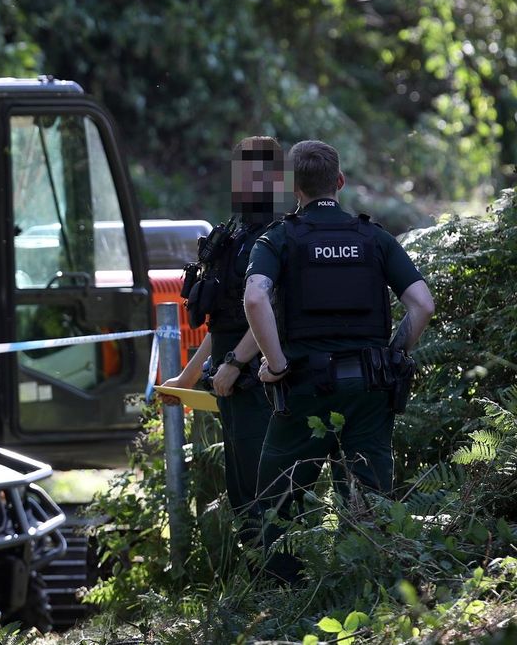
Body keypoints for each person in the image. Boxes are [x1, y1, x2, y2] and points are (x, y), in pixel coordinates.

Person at [247, 140, 434, 581]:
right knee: (372, 501)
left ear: (294, 187)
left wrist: (275, 366)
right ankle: (372, 593)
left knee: (276, 505)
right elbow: (422, 304)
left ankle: (277, 602)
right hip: (369, 389)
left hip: (304, 390)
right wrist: (392, 356)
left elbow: (255, 296)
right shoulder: (375, 238)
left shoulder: (278, 238)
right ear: (340, 181)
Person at [161, 136, 284, 521]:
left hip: (261, 386)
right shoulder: (236, 234)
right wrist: (187, 377)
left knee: (268, 498)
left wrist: (232, 362)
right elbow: (226, 320)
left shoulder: (278, 236)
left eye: (255, 174)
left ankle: (279, 580)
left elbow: (271, 311)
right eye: (242, 173)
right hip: (231, 385)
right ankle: (258, 578)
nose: (246, 183)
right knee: (242, 498)